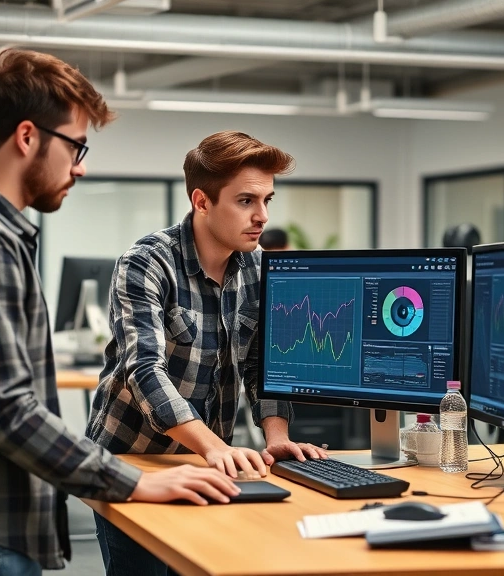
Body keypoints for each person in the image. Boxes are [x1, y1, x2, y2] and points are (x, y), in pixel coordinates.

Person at [0, 49, 238, 576]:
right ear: (27, 137)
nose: (81, 165)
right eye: (75, 145)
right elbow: (8, 413)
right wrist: (135, 481)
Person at [85, 130, 327, 575]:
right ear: (201, 201)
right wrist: (215, 448)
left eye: (267, 200)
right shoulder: (147, 261)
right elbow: (143, 368)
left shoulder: (255, 266)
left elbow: (260, 362)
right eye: (246, 201)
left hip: (208, 461)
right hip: (134, 460)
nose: (262, 216)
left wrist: (276, 437)